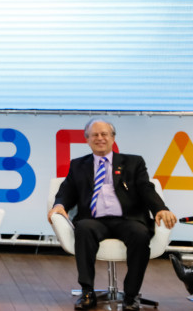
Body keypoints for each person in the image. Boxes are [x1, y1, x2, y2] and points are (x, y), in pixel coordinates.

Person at [48, 118, 177, 311]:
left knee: (140, 235)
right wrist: (59, 205)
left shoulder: (133, 162)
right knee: (83, 229)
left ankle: (131, 296)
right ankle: (87, 292)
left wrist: (161, 208)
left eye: (104, 134)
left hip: (128, 219)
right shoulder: (78, 165)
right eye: (95, 135)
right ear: (87, 139)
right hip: (94, 220)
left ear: (113, 138)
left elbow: (146, 189)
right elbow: (67, 190)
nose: (100, 138)